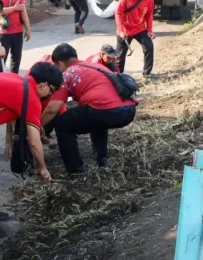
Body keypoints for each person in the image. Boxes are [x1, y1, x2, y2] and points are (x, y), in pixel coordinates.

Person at [43, 43, 137, 173]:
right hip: (128, 110)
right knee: (96, 119)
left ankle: (75, 169)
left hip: (106, 111)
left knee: (61, 124)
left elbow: (52, 109)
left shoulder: (67, 74)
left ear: (59, 64)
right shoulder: (96, 66)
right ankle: (103, 160)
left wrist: (35, 126)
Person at [115, 0, 156, 77]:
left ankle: (147, 74)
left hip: (140, 28)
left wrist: (149, 30)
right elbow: (118, 13)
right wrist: (121, 31)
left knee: (149, 47)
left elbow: (149, 15)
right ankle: (118, 76)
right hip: (125, 30)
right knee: (120, 55)